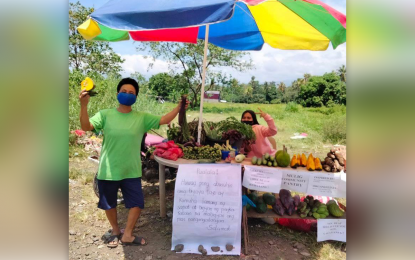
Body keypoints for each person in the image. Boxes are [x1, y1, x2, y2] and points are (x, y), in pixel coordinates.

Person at [79, 78, 188, 248]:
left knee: (137, 203)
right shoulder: (105, 115)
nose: (127, 95)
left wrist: (179, 108)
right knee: (109, 204)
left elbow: (164, 119)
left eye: (131, 93)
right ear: (117, 94)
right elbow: (86, 126)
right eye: (124, 91)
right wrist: (83, 105)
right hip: (109, 169)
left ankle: (128, 234)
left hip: (132, 170)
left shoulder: (141, 117)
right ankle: (115, 231)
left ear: (136, 97)